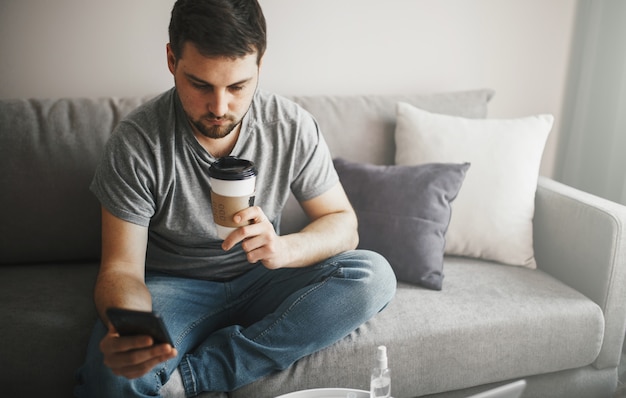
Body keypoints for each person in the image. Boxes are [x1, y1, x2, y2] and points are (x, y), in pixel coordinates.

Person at [74, 0, 396, 396]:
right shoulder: (137, 142)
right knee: (113, 375)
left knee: (373, 276)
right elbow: (121, 269)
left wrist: (284, 249)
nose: (220, 108)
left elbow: (342, 223)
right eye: (201, 84)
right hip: (174, 287)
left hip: (265, 276)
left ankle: (193, 379)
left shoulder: (290, 125)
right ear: (172, 60)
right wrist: (135, 331)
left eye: (238, 86)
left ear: (260, 65)